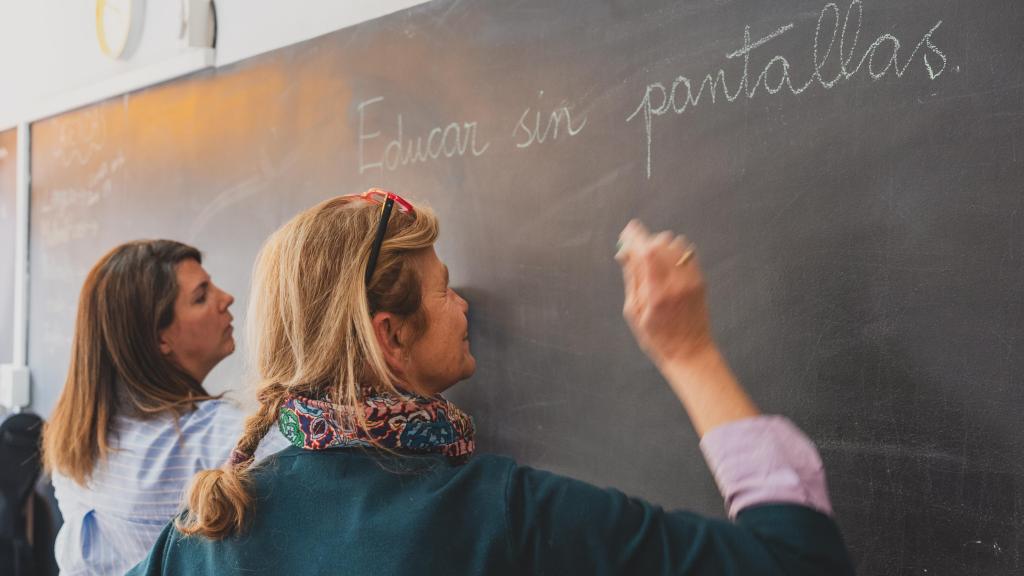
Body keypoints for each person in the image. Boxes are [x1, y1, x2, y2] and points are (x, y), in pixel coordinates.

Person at [130, 190, 854, 575]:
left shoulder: (203, 532)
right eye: (444, 291)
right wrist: (689, 352)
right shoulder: (501, 517)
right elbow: (796, 561)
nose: (465, 305)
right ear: (391, 335)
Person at [41, 240, 288, 576]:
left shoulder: (73, 437)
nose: (225, 298)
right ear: (160, 339)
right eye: (201, 296)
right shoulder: (225, 438)